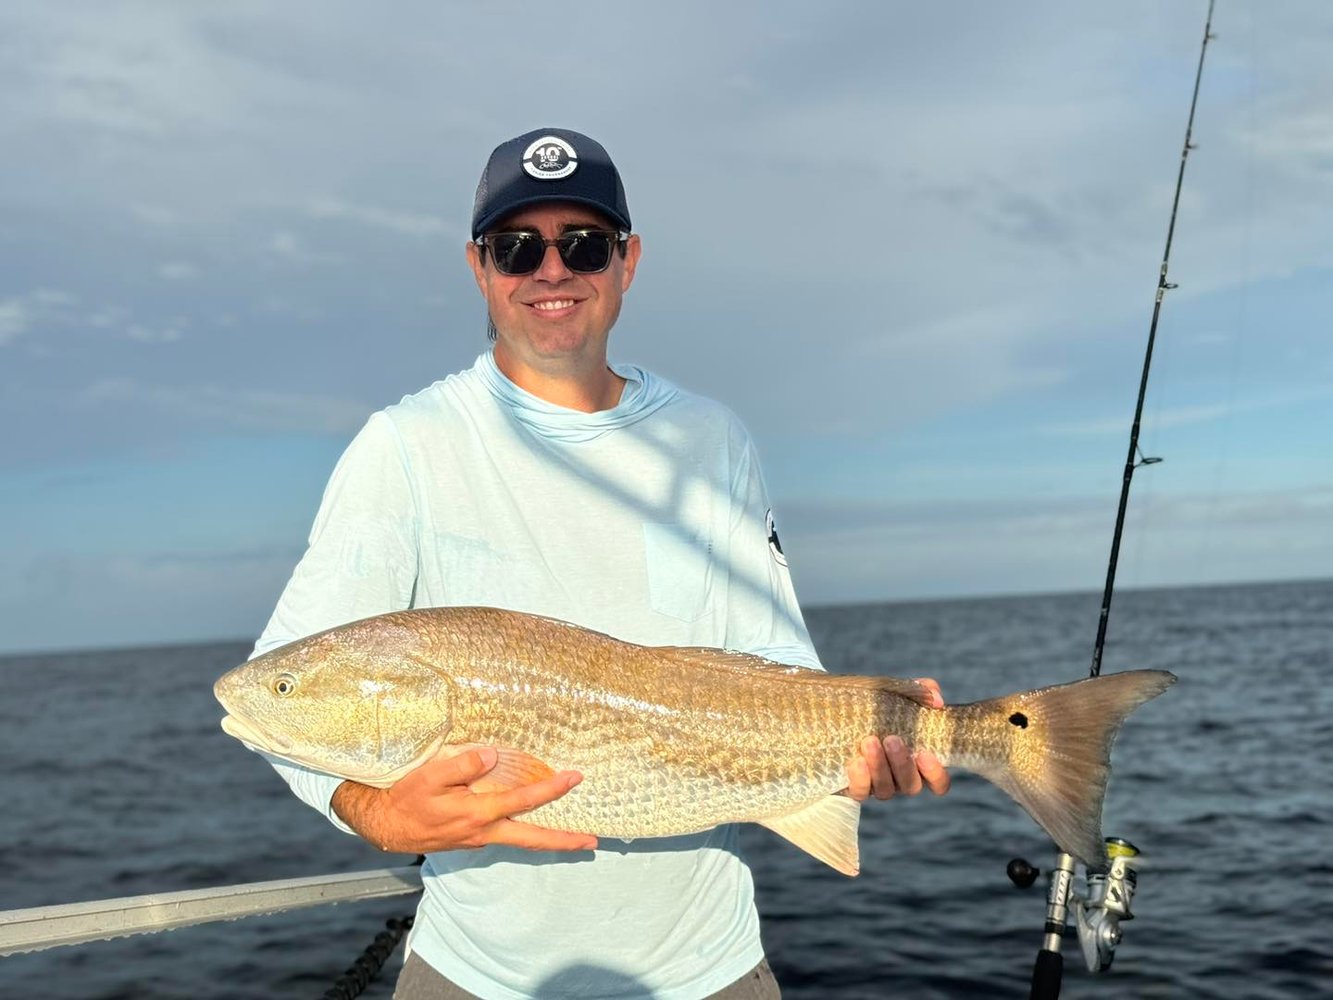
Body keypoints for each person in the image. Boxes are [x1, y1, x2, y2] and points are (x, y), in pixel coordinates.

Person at [251, 127, 950, 1000]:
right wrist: (376, 812)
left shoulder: (712, 439)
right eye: (517, 248)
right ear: (478, 267)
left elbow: (778, 670)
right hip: (477, 972)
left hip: (709, 965)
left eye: (582, 244)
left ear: (628, 262)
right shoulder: (405, 445)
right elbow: (271, 705)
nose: (551, 270)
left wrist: (871, 740)